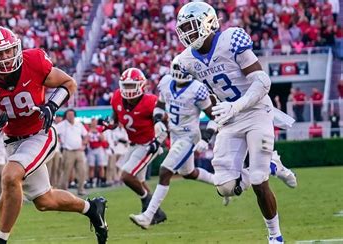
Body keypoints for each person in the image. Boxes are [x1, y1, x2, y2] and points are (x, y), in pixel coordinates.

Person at [0, 26, 107, 244]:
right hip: (13, 141)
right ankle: (92, 208)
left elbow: (69, 83)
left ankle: (0, 240)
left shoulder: (34, 61)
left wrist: (52, 105)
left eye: (10, 50)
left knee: (10, 175)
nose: (7, 57)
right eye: (0, 53)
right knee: (44, 201)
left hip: (40, 133)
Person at [174, 2, 287, 242]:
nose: (187, 35)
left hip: (256, 110)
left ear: (208, 23)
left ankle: (275, 236)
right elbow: (211, 89)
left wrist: (236, 105)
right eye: (184, 29)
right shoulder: (186, 60)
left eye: (192, 28)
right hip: (230, 117)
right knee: (224, 186)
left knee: (259, 180)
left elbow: (262, 82)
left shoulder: (231, 39)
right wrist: (218, 117)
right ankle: (263, 166)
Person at [129, 61, 222, 229]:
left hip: (188, 136)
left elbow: (214, 116)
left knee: (165, 171)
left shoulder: (197, 89)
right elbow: (160, 105)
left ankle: (148, 216)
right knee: (188, 173)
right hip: (174, 134)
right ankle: (221, 183)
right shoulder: (165, 82)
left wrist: (205, 138)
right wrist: (158, 120)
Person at [101, 67, 167, 225]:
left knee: (126, 175)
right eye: (126, 85)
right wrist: (110, 123)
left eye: (132, 86)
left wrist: (158, 141)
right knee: (138, 180)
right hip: (133, 144)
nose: (128, 90)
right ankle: (156, 213)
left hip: (148, 144)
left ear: (142, 85)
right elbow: (115, 117)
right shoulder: (116, 96)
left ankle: (146, 203)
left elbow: (166, 123)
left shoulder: (151, 101)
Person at [56, 109, 88, 195]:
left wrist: (84, 144)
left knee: (82, 170)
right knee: (66, 171)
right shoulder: (62, 125)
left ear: (74, 115)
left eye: (72, 114)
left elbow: (86, 135)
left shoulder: (79, 124)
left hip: (79, 151)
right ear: (66, 116)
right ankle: (63, 190)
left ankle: (81, 189)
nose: (70, 116)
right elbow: (54, 132)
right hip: (68, 151)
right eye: (68, 115)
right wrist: (59, 140)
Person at [86, 119, 108, 188]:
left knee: (101, 166)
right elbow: (85, 139)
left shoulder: (100, 129)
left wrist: (98, 133)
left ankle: (102, 180)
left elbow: (103, 139)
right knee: (91, 166)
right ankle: (91, 181)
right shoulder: (87, 129)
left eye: (95, 122)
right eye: (93, 122)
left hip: (99, 148)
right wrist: (89, 132)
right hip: (91, 149)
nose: (94, 124)